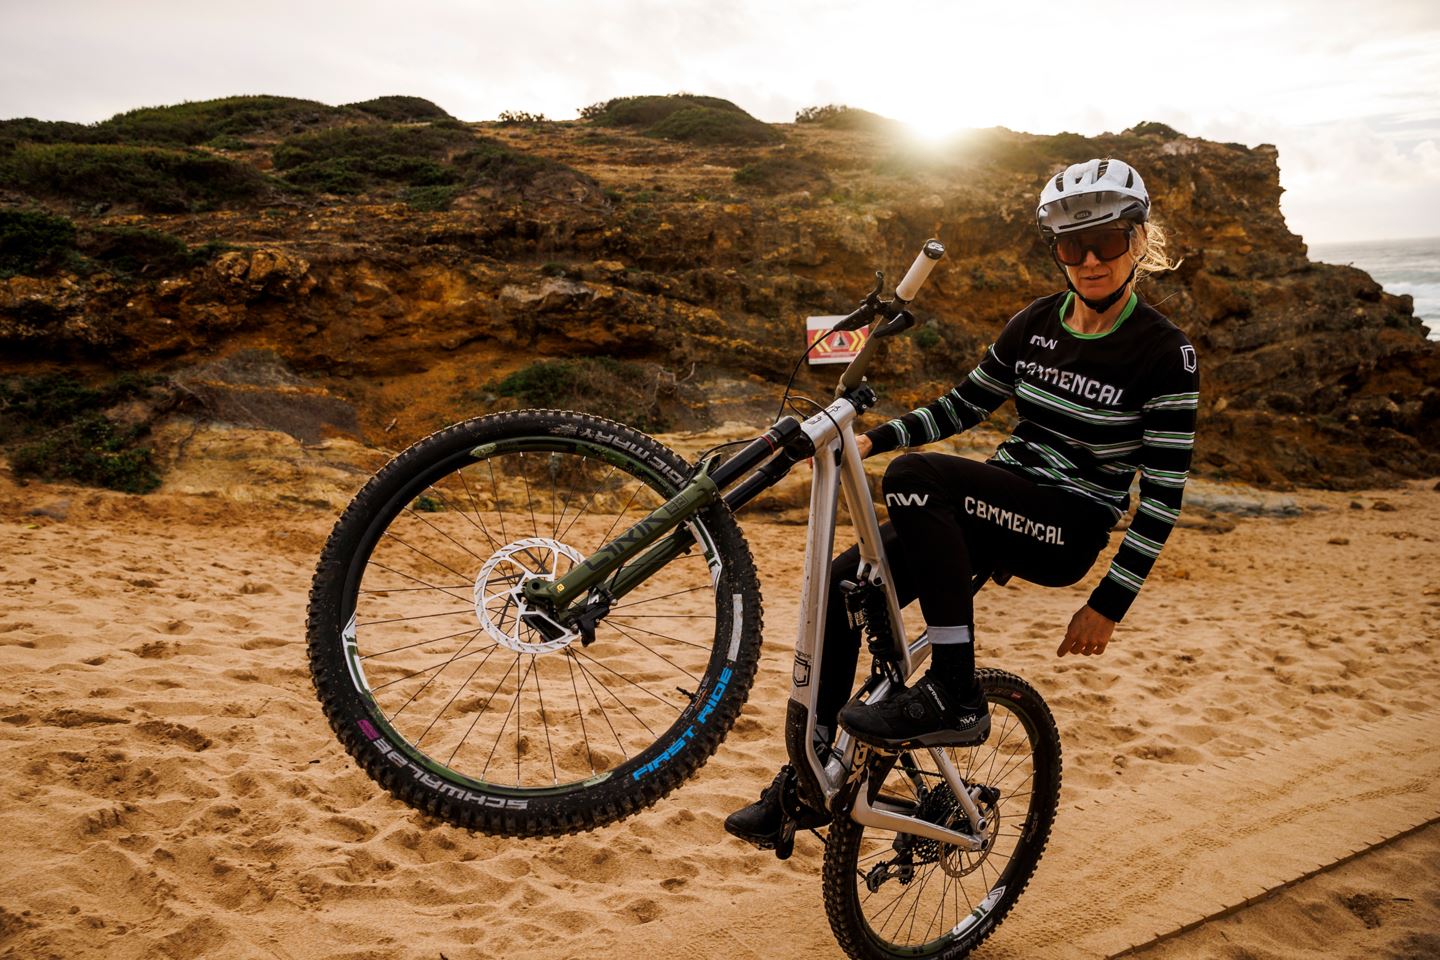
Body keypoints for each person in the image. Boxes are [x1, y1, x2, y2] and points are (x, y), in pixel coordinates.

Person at [726, 157, 1199, 849]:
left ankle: (954, 689)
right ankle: (807, 781)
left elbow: (1160, 498)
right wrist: (871, 440)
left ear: (1140, 241)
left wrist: (1107, 605)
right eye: (1073, 247)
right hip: (995, 502)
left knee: (920, 478)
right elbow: (960, 407)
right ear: (1057, 253)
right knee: (845, 584)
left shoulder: (1166, 354)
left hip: (1066, 527)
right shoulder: (1034, 324)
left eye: (1110, 241)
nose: (1091, 260)